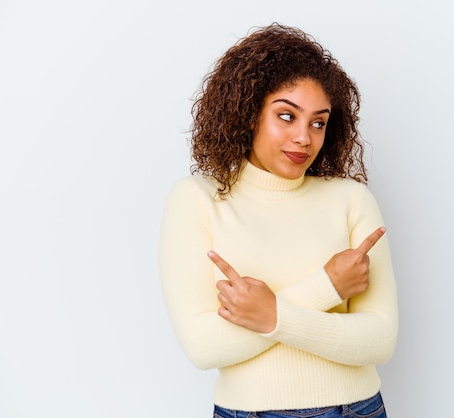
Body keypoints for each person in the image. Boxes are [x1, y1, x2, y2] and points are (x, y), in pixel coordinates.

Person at [159, 22, 398, 418]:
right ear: (248, 112)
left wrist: (269, 315)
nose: (305, 137)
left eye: (318, 122)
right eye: (287, 116)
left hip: (357, 409)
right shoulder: (197, 199)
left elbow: (379, 341)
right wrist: (327, 288)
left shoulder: (350, 199)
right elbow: (204, 346)